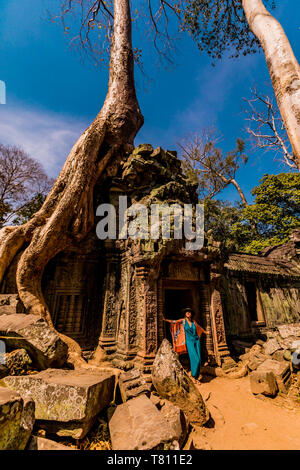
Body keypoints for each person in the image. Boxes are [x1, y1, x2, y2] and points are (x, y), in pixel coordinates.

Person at [163, 307, 208, 383]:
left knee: (199, 359)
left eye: (189, 312)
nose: (188, 313)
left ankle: (196, 378)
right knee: (195, 359)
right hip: (189, 341)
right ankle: (193, 376)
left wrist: (206, 332)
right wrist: (165, 320)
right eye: (187, 312)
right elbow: (174, 322)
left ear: (191, 314)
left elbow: (199, 328)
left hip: (196, 340)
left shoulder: (194, 322)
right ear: (185, 314)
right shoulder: (183, 321)